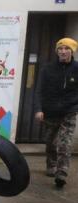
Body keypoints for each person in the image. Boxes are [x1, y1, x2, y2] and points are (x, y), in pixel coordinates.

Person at [34, 37, 78, 188]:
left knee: (65, 143)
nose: (63, 51)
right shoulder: (48, 69)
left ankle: (61, 173)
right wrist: (39, 109)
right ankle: (51, 165)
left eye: (66, 49)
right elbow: (40, 90)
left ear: (72, 51)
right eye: (60, 48)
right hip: (50, 112)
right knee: (51, 143)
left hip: (69, 112)